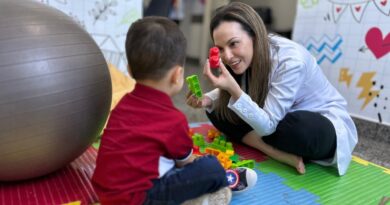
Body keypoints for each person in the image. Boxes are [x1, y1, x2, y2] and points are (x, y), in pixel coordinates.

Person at [92, 16, 256, 205]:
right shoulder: (172, 119)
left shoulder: (121, 106)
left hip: (104, 193)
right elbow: (185, 162)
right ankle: (219, 184)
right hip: (140, 199)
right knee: (209, 166)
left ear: (129, 69)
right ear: (178, 75)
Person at [186, 2, 358, 176]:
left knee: (300, 128)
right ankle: (273, 150)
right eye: (221, 48)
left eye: (233, 44)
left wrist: (234, 91)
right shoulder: (246, 55)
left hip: (316, 123)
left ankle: (262, 142)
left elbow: (266, 125)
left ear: (254, 36)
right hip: (271, 119)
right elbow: (242, 93)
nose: (228, 56)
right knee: (216, 109)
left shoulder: (290, 60)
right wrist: (207, 99)